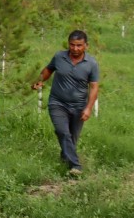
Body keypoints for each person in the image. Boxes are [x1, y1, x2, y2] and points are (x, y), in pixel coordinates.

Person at [31, 31, 100, 176]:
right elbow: (48, 69)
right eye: (72, 45)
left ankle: (64, 161)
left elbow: (94, 87)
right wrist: (40, 80)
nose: (75, 48)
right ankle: (76, 166)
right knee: (62, 132)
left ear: (86, 46)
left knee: (72, 138)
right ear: (68, 44)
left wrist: (88, 108)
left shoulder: (92, 64)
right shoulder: (59, 57)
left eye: (79, 45)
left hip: (79, 106)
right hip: (57, 102)